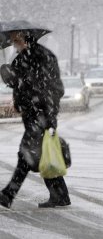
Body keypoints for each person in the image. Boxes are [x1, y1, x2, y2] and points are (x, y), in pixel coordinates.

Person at [0, 31, 70, 209]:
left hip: (41, 115)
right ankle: (60, 196)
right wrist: (6, 72)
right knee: (41, 154)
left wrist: (49, 115)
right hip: (33, 114)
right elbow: (17, 82)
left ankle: (8, 194)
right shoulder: (25, 57)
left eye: (17, 40)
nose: (14, 43)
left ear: (26, 39)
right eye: (13, 40)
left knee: (25, 155)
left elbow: (54, 88)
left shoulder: (42, 57)